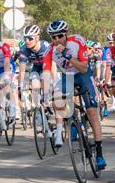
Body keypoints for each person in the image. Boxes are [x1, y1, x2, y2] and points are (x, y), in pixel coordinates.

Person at [44, 20, 106, 169]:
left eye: (59, 36)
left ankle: (99, 154)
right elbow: (46, 71)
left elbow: (84, 68)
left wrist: (68, 56)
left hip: (83, 75)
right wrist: (46, 91)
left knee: (92, 113)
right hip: (67, 77)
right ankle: (71, 121)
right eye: (53, 37)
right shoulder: (50, 50)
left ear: (65, 34)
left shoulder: (77, 41)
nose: (57, 39)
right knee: (56, 102)